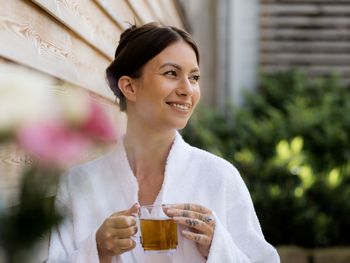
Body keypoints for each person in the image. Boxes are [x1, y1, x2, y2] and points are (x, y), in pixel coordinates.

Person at [47, 22, 280, 263]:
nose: (188, 89)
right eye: (171, 73)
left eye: (195, 77)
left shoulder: (220, 178)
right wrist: (97, 251)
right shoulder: (79, 185)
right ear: (129, 86)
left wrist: (217, 246)